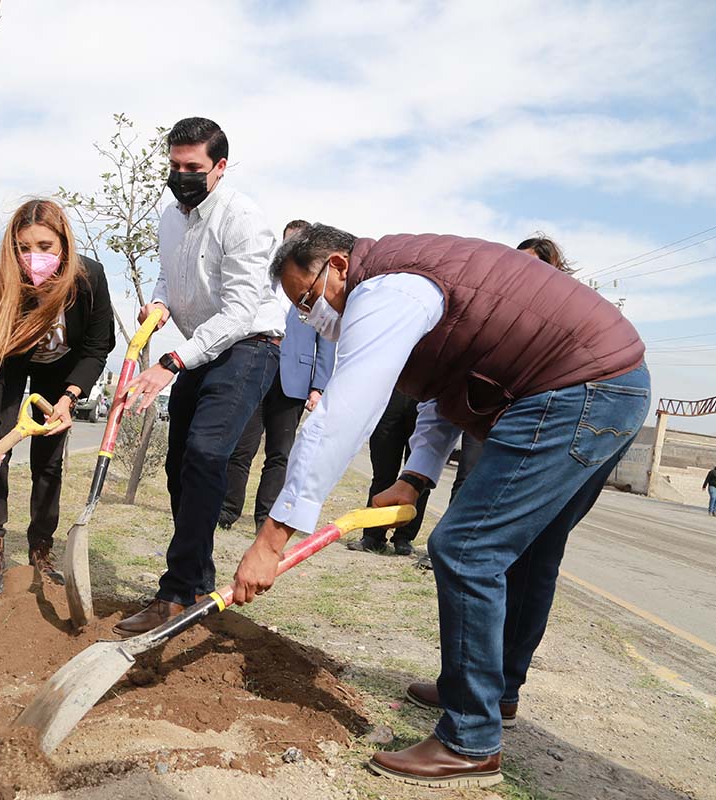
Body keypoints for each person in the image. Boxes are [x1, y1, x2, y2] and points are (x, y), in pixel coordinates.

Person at [232, 225, 647, 788]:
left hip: (578, 387)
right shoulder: (411, 280)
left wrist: (270, 540)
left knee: (466, 547)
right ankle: (491, 694)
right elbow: (444, 388)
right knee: (526, 551)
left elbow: (342, 415)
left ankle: (470, 741)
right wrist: (415, 477)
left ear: (337, 265)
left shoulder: (386, 291)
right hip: (609, 382)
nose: (312, 318)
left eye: (308, 299)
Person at [115, 117, 283, 636]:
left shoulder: (244, 220)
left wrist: (170, 363)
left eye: (194, 168)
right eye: (175, 166)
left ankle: (174, 593)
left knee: (207, 455)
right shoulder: (170, 217)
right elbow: (168, 273)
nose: (182, 176)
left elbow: (238, 310)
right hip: (201, 349)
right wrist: (161, 303)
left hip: (248, 346)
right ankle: (197, 585)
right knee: (178, 468)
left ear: (220, 167)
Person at [0, 199, 114, 596]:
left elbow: (96, 346)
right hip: (13, 361)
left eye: (44, 246)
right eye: (24, 247)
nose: (33, 257)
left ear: (64, 245)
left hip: (62, 369)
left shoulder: (89, 278)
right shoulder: (6, 281)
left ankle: (42, 546)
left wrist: (70, 397)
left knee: (48, 463)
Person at [219, 219, 336, 531]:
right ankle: (227, 511)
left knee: (279, 454)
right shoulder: (264, 282)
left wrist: (318, 386)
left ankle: (264, 517)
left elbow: (325, 341)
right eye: (288, 242)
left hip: (293, 381)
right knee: (241, 448)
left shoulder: (316, 290)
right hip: (255, 371)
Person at [449, 234, 575, 501]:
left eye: (534, 264)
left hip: (528, 410)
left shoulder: (561, 308)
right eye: (518, 261)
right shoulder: (496, 299)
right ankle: (450, 543)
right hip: (485, 407)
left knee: (511, 490)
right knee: (468, 479)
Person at [350, 389, 432, 555]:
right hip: (391, 396)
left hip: (425, 399)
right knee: (383, 473)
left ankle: (404, 537)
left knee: (418, 478)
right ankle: (373, 536)